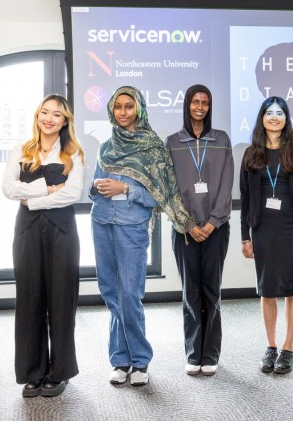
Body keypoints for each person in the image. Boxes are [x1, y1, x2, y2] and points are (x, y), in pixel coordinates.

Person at [90, 86, 196, 387]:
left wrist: (125, 189)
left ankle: (139, 359)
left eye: (129, 106)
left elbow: (159, 196)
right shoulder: (106, 146)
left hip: (132, 227)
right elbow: (92, 186)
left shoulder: (152, 147)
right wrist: (97, 187)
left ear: (140, 109)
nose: (123, 112)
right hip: (101, 221)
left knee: (129, 294)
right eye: (118, 107)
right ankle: (119, 359)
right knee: (110, 291)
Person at [1, 94, 85, 398]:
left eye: (57, 115)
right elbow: (9, 188)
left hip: (62, 233)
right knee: (29, 299)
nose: (49, 119)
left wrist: (32, 198)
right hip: (27, 233)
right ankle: (32, 371)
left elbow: (72, 194)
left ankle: (59, 372)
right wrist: (47, 188)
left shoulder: (73, 153)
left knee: (61, 301)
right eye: (45, 113)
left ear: (65, 121)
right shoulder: (22, 150)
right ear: (38, 116)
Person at [240, 96, 293, 375]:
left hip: (292, 229)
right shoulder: (251, 155)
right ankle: (270, 346)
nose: (274, 117)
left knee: (291, 288)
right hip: (261, 229)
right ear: (262, 118)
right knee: (267, 288)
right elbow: (246, 199)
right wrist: (244, 237)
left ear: (286, 118)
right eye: (269, 113)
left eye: (279, 113)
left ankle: (288, 348)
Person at [166, 85, 234, 377]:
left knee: (211, 291)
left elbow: (226, 184)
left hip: (216, 228)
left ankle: (211, 354)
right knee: (190, 291)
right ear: (187, 105)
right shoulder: (172, 141)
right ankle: (194, 354)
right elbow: (169, 188)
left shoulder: (221, 139)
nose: (200, 106)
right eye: (195, 101)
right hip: (184, 231)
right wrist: (188, 224)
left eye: (205, 102)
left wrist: (211, 222)